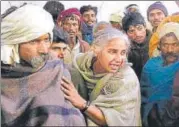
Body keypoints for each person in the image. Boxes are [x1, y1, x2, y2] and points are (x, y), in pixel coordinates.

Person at [1, 4, 86, 126]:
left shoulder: (57, 70)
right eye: (34, 41)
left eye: (47, 40)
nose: (44, 49)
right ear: (13, 43)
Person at [60, 27, 141, 126]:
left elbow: (120, 121)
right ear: (95, 50)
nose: (119, 59)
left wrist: (82, 104)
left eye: (123, 53)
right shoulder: (79, 64)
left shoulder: (126, 79)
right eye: (112, 51)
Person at [140, 22, 179, 126]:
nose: (170, 50)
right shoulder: (150, 65)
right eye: (165, 45)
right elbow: (143, 95)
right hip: (152, 119)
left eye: (175, 44)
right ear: (159, 46)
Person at [122, 12, 152, 80]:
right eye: (131, 31)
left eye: (139, 28)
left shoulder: (156, 43)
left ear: (145, 27)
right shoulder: (124, 49)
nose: (137, 34)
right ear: (126, 33)